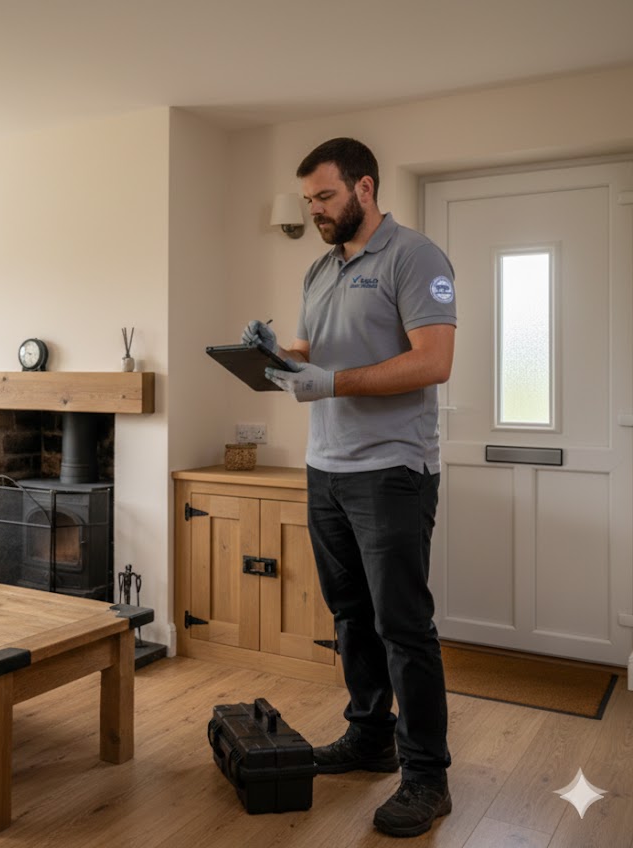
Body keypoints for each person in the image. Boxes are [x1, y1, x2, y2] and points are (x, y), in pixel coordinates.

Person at [243, 137, 456, 839]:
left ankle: (427, 776)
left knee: (403, 626)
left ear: (365, 189)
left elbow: (433, 361)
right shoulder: (318, 269)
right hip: (326, 467)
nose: (315, 211)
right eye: (308, 200)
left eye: (325, 197)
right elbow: (314, 350)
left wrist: (330, 381)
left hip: (392, 472)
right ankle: (371, 737)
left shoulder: (415, 257)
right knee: (349, 618)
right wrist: (273, 350)